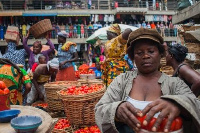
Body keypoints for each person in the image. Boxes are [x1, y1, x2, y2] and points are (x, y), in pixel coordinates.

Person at [95, 28, 200, 133]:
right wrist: (116, 109)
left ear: (160, 54)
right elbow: (100, 109)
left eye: (151, 51)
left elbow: (196, 105)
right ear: (133, 57)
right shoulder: (121, 81)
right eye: (139, 53)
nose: (145, 56)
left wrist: (178, 104)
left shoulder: (174, 83)